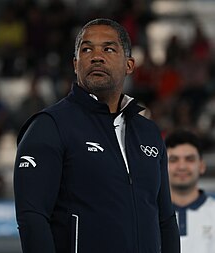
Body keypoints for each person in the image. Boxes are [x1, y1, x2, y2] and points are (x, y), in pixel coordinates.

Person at [14, 18, 180, 253]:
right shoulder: (49, 126)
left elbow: (165, 220)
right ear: (75, 64)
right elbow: (32, 218)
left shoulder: (149, 133)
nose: (96, 56)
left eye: (109, 49)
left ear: (129, 65)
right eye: (86, 49)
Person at [165, 129, 215, 253]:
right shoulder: (148, 215)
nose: (182, 166)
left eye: (190, 159)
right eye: (173, 160)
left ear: (202, 166)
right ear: (161, 166)